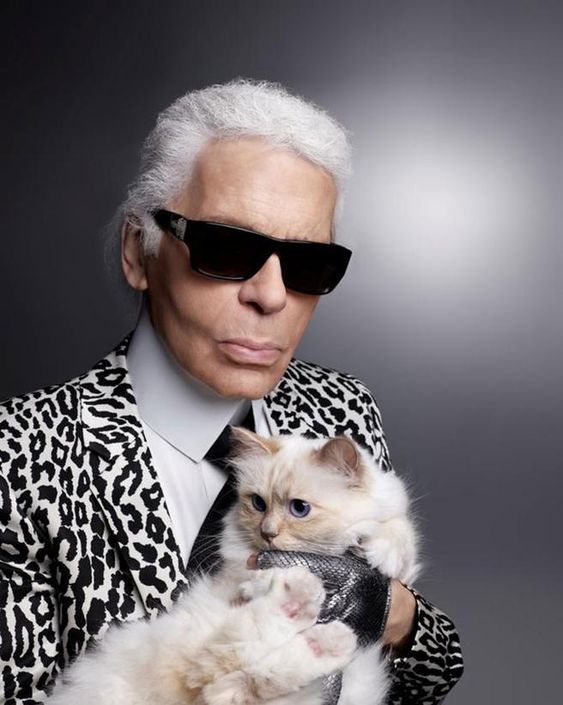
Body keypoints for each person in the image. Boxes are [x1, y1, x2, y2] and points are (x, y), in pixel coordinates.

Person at [0, 79, 463, 704]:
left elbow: (421, 679)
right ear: (139, 251)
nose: (270, 296)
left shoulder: (341, 408)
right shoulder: (19, 453)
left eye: (308, 264)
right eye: (225, 249)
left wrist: (395, 615)